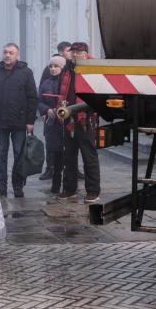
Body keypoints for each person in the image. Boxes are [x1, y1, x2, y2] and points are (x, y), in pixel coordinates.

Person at [0, 43, 37, 198]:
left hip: (19, 121)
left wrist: (30, 121)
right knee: (1, 154)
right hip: (0, 121)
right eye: (5, 52)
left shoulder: (25, 73)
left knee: (19, 154)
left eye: (11, 53)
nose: (7, 55)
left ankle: (18, 185)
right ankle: (1, 186)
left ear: (17, 55)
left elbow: (32, 97)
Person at [58, 42, 102, 203]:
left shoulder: (93, 69)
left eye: (79, 52)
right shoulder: (67, 69)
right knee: (68, 157)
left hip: (86, 119)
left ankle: (93, 191)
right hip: (68, 118)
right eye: (74, 52)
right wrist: (60, 110)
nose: (76, 54)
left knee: (89, 157)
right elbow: (62, 92)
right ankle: (70, 189)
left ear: (85, 53)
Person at [37, 55, 66, 188]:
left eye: (56, 66)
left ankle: (67, 183)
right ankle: (55, 184)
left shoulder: (67, 82)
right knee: (53, 152)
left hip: (65, 124)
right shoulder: (46, 83)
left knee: (65, 154)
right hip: (51, 124)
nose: (53, 69)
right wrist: (46, 110)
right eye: (51, 66)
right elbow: (40, 101)